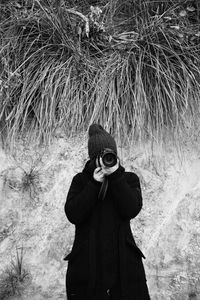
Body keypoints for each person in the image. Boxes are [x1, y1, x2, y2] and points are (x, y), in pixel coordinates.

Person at [64, 124, 150, 300]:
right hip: (87, 264)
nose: (106, 160)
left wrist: (116, 177)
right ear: (92, 158)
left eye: (110, 156)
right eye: (100, 157)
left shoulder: (128, 179)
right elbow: (73, 214)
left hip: (124, 264)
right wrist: (94, 184)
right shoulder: (81, 181)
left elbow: (132, 209)